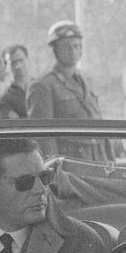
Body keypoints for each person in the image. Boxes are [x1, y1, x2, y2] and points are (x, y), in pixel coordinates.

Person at [27, 20, 109, 160]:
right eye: (66, 47)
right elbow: (43, 137)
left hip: (98, 159)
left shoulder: (86, 80)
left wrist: (110, 159)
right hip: (70, 164)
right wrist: (54, 169)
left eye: (76, 46)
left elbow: (99, 124)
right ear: (55, 51)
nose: (72, 51)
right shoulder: (43, 86)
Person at [0, 44, 30, 119]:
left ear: (28, 60)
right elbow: (17, 126)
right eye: (13, 63)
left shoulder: (42, 87)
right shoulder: (3, 98)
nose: (18, 66)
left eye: (21, 60)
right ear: (6, 67)